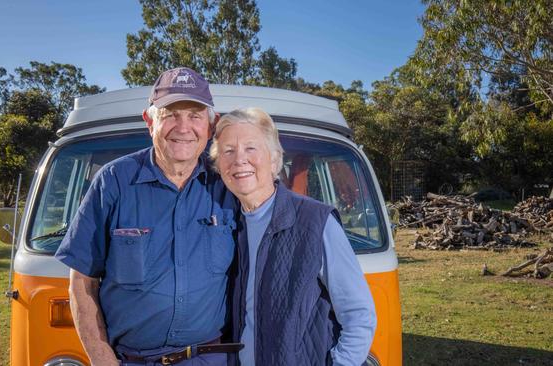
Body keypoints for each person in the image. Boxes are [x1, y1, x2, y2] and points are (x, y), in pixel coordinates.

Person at [55, 67, 242, 366]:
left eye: (194, 115)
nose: (183, 128)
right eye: (170, 114)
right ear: (150, 120)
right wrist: (103, 360)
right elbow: (82, 281)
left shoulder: (229, 184)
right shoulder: (113, 181)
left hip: (212, 358)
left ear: (211, 125)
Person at [209, 108, 377, 366]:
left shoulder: (315, 221)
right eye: (228, 151)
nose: (239, 160)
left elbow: (359, 315)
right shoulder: (228, 224)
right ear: (219, 165)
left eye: (251, 148)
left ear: (274, 160)